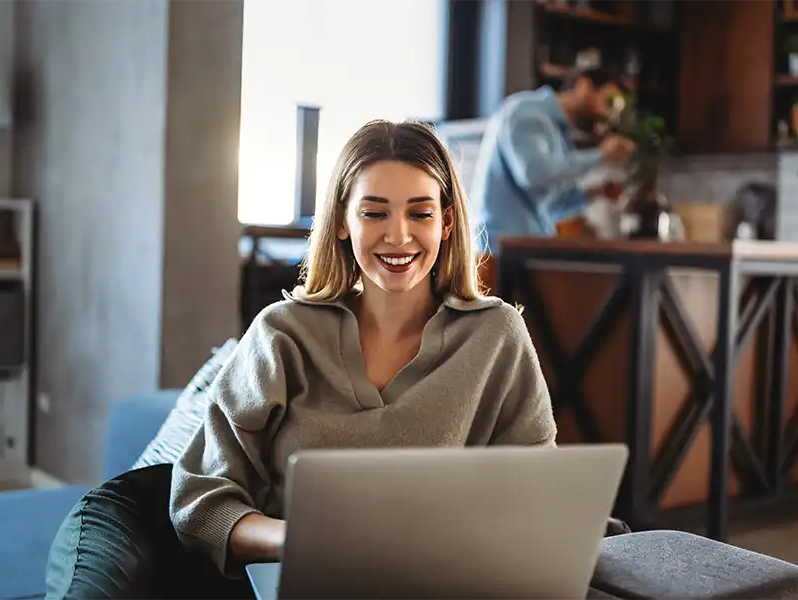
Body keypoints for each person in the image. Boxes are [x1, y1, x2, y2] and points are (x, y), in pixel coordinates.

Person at [45, 120, 625, 600]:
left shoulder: (497, 335)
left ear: (447, 222)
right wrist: (303, 540)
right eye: (374, 212)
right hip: (247, 566)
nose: (399, 236)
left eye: (420, 212)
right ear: (343, 224)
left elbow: (533, 496)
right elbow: (200, 502)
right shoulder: (282, 335)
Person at [470, 64, 638, 253]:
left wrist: (596, 192)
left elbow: (551, 207)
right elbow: (534, 174)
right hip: (500, 254)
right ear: (584, 86)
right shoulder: (526, 113)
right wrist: (601, 154)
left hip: (527, 248)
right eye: (610, 103)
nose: (610, 117)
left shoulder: (559, 132)